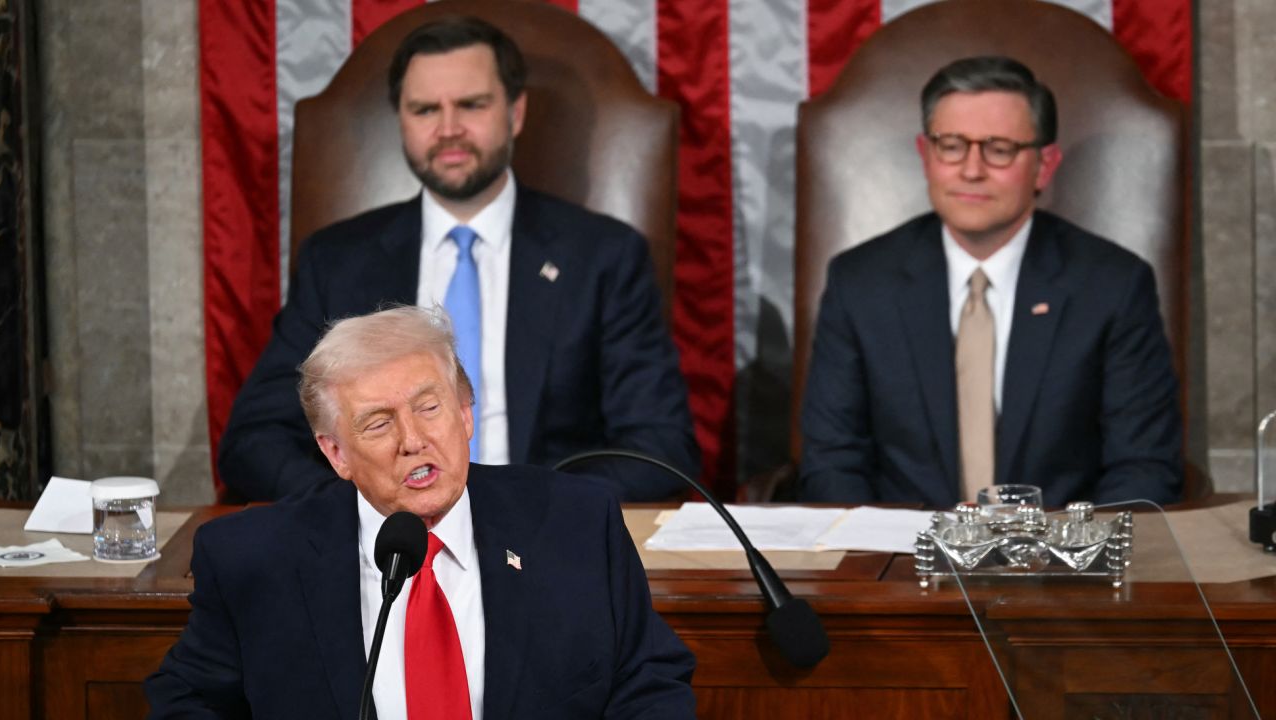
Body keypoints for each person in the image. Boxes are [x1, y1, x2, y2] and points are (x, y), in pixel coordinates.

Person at [218, 16, 699, 503]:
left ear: (515, 113)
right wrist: (360, 509)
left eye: (471, 105)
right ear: (402, 120)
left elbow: (659, 445)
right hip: (388, 532)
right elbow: (255, 439)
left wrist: (532, 506)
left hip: (541, 526)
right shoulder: (338, 262)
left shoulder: (604, 256)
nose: (448, 129)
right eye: (425, 109)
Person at [146, 305, 698, 718]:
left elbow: (648, 684)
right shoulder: (253, 560)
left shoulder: (577, 524)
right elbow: (188, 702)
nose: (413, 441)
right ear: (336, 453)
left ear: (465, 413)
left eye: (429, 407)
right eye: (378, 423)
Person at [799, 56, 1182, 509]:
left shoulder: (1112, 286)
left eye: (999, 149)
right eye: (952, 146)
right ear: (925, 155)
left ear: (1044, 164)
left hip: (1058, 549)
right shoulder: (861, 283)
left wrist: (1071, 550)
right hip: (902, 549)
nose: (972, 170)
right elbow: (833, 461)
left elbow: (1142, 466)